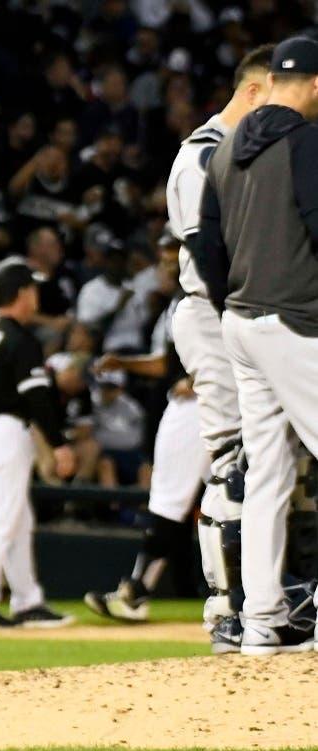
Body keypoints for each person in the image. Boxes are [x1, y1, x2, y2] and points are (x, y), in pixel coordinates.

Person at [197, 37, 318, 655]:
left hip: (241, 322)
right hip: (297, 319)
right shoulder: (305, 143)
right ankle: (273, 615)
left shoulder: (223, 153)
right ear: (317, 85)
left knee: (268, 471)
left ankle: (264, 619)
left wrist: (230, 306)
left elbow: (203, 249)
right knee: (277, 467)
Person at [169, 45, 284, 653]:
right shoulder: (203, 155)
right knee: (233, 459)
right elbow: (209, 255)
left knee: (266, 457)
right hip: (216, 313)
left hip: (247, 312)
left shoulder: (252, 153)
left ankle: (266, 599)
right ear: (256, 91)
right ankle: (227, 609)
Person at [83, 240, 213, 632]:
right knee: (224, 498)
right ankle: (141, 590)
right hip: (209, 401)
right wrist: (123, 361)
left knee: (179, 499)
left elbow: (223, 344)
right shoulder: (178, 301)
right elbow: (166, 364)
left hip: (203, 406)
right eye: (162, 261)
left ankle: (141, 591)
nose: (166, 267)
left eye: (174, 261)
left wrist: (201, 376)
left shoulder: (206, 294)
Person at [0, 258, 77, 631]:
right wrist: (58, 444)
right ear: (21, 293)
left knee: (17, 520)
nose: (36, 293)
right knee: (1, 521)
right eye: (32, 287)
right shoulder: (19, 338)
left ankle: (27, 602)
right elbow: (38, 398)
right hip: (4, 433)